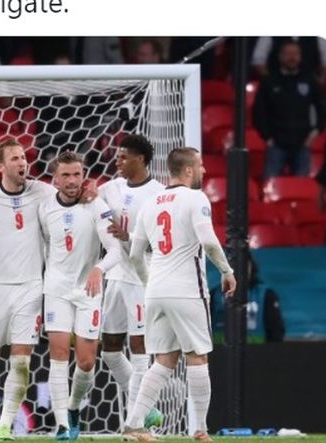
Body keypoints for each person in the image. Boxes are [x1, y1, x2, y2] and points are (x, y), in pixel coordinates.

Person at [122, 148, 236, 442]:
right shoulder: (195, 198)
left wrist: (149, 283)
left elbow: (135, 255)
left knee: (163, 360)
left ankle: (134, 425)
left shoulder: (150, 204)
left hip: (156, 291)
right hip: (187, 291)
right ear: (187, 170)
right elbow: (208, 241)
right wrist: (226, 271)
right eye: (200, 165)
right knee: (197, 357)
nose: (204, 171)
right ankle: (201, 430)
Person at [0, 139, 56, 441]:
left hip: (31, 287)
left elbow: (72, 198)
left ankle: (4, 426)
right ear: (0, 166)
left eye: (24, 158)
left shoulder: (42, 191)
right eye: (14, 159)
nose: (22, 163)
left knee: (21, 361)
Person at [38, 152, 122, 440]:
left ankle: (73, 408)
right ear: (55, 179)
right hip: (57, 289)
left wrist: (98, 269)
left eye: (77, 174)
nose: (72, 181)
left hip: (89, 290)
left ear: (83, 175)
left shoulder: (97, 206)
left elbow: (115, 249)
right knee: (58, 353)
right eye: (66, 175)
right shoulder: (45, 206)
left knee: (86, 362)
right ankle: (62, 424)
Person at [97, 135, 165, 427]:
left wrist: (130, 238)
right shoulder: (110, 188)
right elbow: (88, 197)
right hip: (115, 275)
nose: (118, 161)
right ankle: (146, 411)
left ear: (141, 159)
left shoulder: (159, 194)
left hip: (142, 277)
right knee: (110, 348)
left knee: (139, 346)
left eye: (124, 157)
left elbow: (162, 243)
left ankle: (136, 419)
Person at [253, 40, 325, 178]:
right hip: (276, 144)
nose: (292, 57)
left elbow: (321, 110)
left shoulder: (310, 80)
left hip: (302, 144)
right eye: (288, 54)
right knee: (271, 184)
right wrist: (268, 137)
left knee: (301, 189)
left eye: (295, 53)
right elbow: (259, 113)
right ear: (280, 56)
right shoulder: (269, 81)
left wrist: (313, 134)